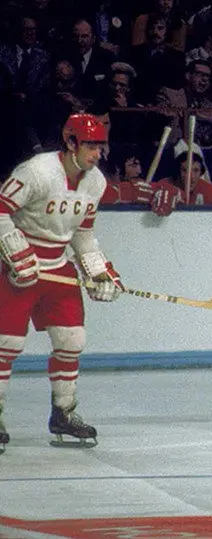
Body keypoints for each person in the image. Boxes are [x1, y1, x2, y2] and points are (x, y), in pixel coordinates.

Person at [0, 114, 122, 451]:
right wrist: (15, 251)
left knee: (72, 340)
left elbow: (83, 234)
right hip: (17, 266)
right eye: (91, 146)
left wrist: (97, 269)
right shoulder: (37, 171)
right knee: (5, 344)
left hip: (57, 267)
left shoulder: (95, 182)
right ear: (71, 143)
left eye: (101, 146)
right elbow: (0, 210)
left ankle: (64, 414)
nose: (98, 154)